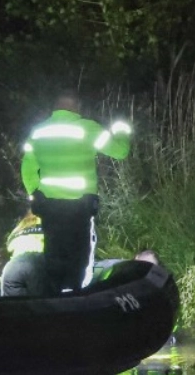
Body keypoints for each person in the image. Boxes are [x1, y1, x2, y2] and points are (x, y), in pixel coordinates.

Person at [21, 92, 132, 294]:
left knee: (53, 255)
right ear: (77, 107)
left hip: (50, 207)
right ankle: (76, 299)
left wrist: (34, 193)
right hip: (79, 208)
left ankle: (54, 299)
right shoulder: (87, 129)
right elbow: (120, 152)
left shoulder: (37, 132)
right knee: (79, 258)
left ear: (55, 108)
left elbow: (27, 169)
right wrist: (122, 131)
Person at [0, 212, 47, 297]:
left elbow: (9, 248)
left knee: (15, 303)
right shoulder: (43, 223)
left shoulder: (20, 228)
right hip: (36, 263)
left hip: (13, 267)